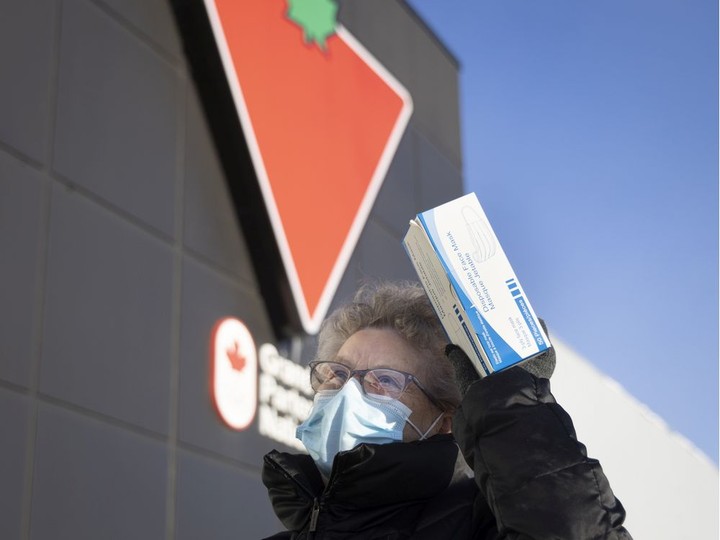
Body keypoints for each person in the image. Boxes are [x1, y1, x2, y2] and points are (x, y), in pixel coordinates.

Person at [262, 281, 631, 539]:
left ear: (443, 421)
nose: (347, 392)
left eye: (384, 380)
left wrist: (513, 405)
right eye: (337, 373)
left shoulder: (478, 526)